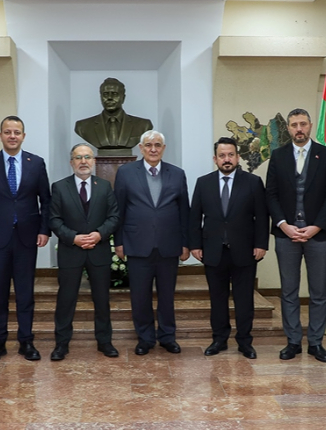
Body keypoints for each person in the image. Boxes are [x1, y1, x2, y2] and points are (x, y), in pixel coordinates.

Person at [0, 115, 51, 363]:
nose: (12, 136)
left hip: (27, 237)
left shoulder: (36, 163)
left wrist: (44, 230)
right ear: (1, 135)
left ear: (23, 136)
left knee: (25, 293)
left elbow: (46, 200)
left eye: (17, 132)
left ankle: (26, 341)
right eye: (8, 132)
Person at [265, 108, 326, 361]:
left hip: (318, 235)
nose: (299, 129)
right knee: (289, 291)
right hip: (286, 235)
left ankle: (316, 343)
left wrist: (316, 226)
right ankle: (293, 341)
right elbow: (271, 194)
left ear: (310, 126)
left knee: (318, 292)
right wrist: (283, 225)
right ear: (288, 128)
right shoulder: (278, 156)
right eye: (294, 124)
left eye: (303, 124)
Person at [190, 137, 268, 359]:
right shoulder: (203, 183)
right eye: (222, 155)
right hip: (213, 251)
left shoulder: (253, 182)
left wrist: (261, 244)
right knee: (217, 299)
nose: (227, 159)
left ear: (238, 157)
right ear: (215, 159)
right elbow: (194, 217)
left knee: (244, 300)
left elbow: (262, 217)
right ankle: (219, 339)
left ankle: (245, 341)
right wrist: (195, 245)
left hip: (245, 251)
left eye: (231, 155)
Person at [114, 130, 190, 355]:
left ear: (164, 148)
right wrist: (119, 242)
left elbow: (184, 211)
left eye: (157, 145)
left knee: (167, 296)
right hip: (137, 244)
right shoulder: (126, 173)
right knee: (140, 296)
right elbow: (118, 209)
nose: (153, 149)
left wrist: (186, 243)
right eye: (148, 145)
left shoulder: (177, 174)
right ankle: (145, 339)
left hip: (169, 245)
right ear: (141, 148)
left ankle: (167, 337)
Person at [49, 143, 120, 361]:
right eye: (78, 157)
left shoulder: (104, 186)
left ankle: (105, 341)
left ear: (94, 161)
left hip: (99, 251)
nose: (83, 161)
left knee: (102, 299)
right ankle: (61, 344)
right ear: (71, 162)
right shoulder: (59, 187)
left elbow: (114, 217)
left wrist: (99, 234)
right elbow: (54, 219)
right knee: (66, 300)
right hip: (71, 252)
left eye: (87, 157)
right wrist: (74, 238)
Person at [74, 78, 153, 155]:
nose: (109, 98)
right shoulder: (82, 126)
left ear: (123, 98)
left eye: (115, 94)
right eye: (105, 94)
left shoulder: (144, 125)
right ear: (100, 97)